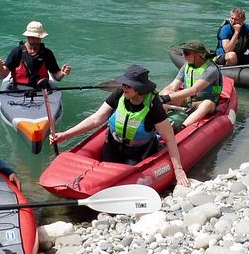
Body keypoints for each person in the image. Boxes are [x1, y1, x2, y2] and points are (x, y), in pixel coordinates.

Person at [50, 65, 189, 187]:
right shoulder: (119, 94)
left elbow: (169, 138)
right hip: (112, 145)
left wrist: (178, 169)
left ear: (139, 88)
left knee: (123, 174)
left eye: (128, 85)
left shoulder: (154, 105)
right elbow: (95, 119)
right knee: (104, 173)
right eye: (123, 84)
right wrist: (65, 135)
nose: (124, 87)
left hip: (139, 151)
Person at [159, 40, 222, 128]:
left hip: (203, 102)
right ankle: (157, 121)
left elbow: (194, 90)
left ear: (197, 54)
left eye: (186, 53)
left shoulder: (211, 69)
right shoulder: (186, 66)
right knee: (166, 91)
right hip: (187, 100)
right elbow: (173, 86)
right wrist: (160, 97)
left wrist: (167, 98)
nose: (183, 56)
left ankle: (182, 127)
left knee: (207, 103)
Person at [0, 20, 72, 87]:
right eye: (33, 37)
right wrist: (0, 66)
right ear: (27, 36)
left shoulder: (47, 53)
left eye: (38, 38)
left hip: (42, 89)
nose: (36, 40)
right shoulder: (17, 52)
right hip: (19, 90)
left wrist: (62, 73)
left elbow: (57, 77)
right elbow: (2, 75)